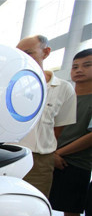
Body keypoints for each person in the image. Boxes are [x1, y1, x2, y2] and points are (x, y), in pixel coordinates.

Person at [45, 49, 92, 216]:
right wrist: (52, 154)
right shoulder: (64, 94)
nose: (79, 70)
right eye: (75, 66)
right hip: (49, 157)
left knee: (71, 210)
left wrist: (59, 154)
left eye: (87, 65)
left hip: (76, 162)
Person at [16, 35, 76, 198]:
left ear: (46, 52)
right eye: (19, 54)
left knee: (34, 206)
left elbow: (58, 128)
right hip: (7, 154)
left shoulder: (63, 89)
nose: (24, 58)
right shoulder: (7, 84)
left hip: (40, 162)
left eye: (29, 53)